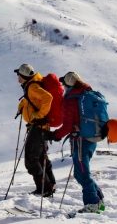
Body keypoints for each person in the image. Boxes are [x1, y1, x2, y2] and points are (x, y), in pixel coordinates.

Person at [51, 71, 105, 214]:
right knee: (80, 173)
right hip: (91, 138)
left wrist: (55, 135)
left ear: (68, 84)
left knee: (82, 173)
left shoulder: (71, 99)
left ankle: (92, 203)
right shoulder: (87, 93)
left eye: (63, 84)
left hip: (80, 140)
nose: (63, 87)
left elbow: (68, 125)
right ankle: (98, 200)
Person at [14, 63, 56, 197]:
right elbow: (32, 101)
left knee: (31, 160)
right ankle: (50, 184)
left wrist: (39, 115)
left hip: (37, 127)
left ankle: (44, 188)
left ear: (24, 76)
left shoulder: (32, 87)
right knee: (41, 157)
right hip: (41, 127)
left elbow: (47, 98)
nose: (17, 78)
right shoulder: (31, 86)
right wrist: (22, 105)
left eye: (19, 75)